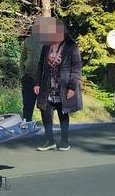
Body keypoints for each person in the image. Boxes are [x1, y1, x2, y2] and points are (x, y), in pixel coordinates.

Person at [33, 17, 82, 151]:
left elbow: (76, 69)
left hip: (64, 87)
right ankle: (50, 141)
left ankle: (64, 142)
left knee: (63, 113)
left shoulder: (71, 47)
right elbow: (40, 66)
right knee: (45, 112)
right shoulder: (46, 47)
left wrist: (72, 87)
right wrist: (37, 83)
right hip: (47, 86)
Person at [20, 22, 42, 125]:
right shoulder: (28, 41)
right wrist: (22, 75)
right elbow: (22, 59)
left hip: (42, 80)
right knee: (27, 105)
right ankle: (26, 126)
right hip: (28, 78)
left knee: (44, 106)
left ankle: (47, 130)